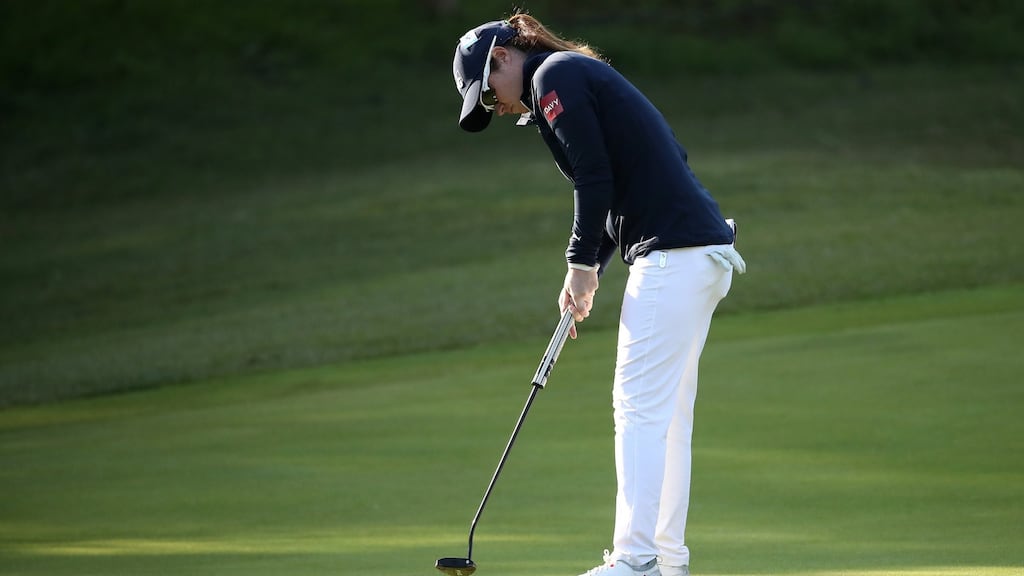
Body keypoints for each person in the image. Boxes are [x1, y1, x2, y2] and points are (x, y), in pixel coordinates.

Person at [451, 13, 746, 576]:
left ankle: (636, 561)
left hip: (674, 255)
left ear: (502, 57)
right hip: (696, 254)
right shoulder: (567, 76)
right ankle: (665, 561)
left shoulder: (553, 75)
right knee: (667, 418)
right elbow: (617, 191)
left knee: (637, 410)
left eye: (488, 94)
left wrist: (579, 264)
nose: (495, 106)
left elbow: (594, 176)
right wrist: (590, 271)